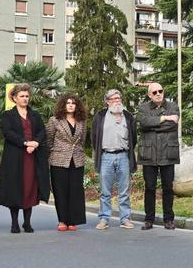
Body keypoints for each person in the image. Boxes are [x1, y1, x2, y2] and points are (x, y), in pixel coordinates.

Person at [0, 84, 50, 233]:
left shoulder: (35, 115)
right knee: (15, 188)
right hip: (15, 157)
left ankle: (27, 223)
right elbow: (8, 133)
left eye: (27, 96)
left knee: (30, 188)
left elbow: (41, 131)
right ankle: (15, 223)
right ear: (14, 98)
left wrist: (36, 143)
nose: (25, 98)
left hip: (33, 157)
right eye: (22, 96)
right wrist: (25, 143)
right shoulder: (8, 115)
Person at [91, 89, 137, 230]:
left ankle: (125, 219)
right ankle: (104, 219)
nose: (117, 100)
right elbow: (94, 137)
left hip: (123, 155)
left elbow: (133, 138)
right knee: (105, 191)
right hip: (106, 156)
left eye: (119, 98)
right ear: (107, 101)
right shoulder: (100, 116)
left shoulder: (128, 116)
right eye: (114, 98)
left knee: (124, 191)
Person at [137, 82, 180, 230]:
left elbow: (173, 126)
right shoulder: (143, 107)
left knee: (168, 187)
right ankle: (149, 219)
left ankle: (169, 219)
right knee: (150, 187)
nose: (158, 94)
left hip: (168, 153)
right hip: (149, 154)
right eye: (154, 92)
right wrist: (164, 119)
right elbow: (143, 123)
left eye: (160, 91)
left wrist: (152, 124)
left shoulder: (173, 106)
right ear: (149, 95)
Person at [46, 94, 88, 231]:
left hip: (77, 160)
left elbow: (82, 140)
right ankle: (62, 220)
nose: (70, 105)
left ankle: (72, 221)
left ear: (77, 106)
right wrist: (54, 153)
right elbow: (49, 140)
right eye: (68, 103)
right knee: (60, 190)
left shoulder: (81, 121)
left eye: (73, 103)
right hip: (58, 160)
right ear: (63, 105)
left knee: (75, 191)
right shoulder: (54, 120)